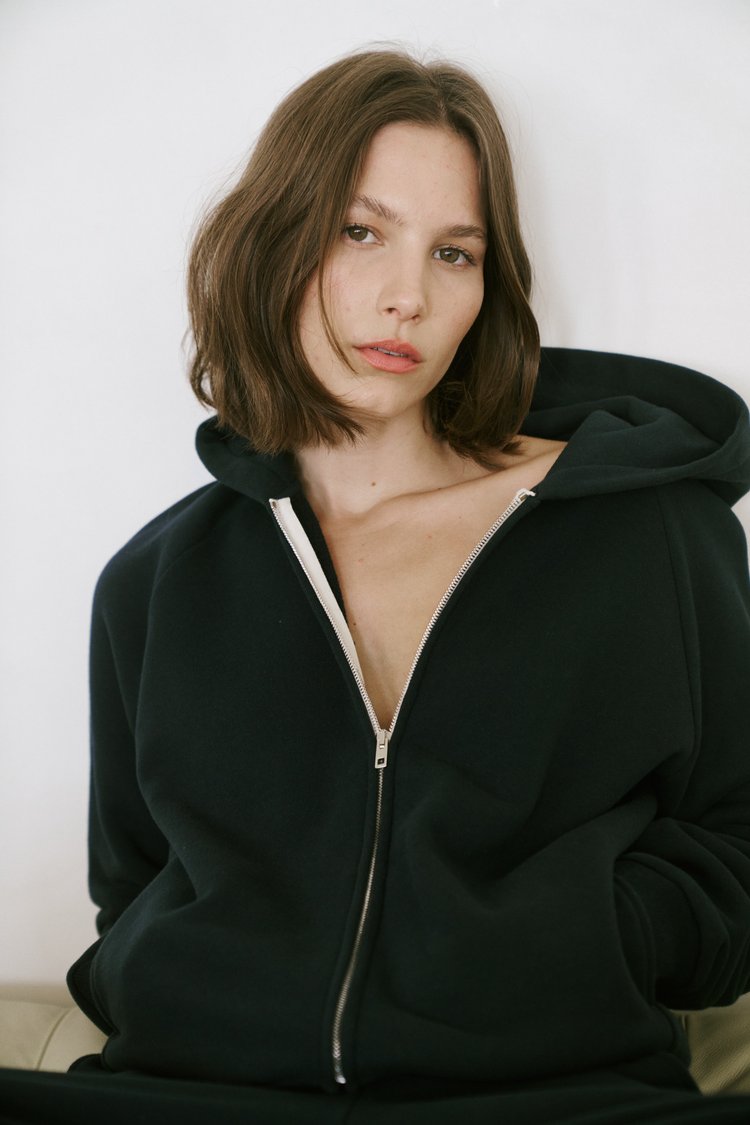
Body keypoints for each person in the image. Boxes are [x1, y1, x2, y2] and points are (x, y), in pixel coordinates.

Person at [2, 46, 750, 1125]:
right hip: (205, 1094)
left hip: (555, 1097)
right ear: (272, 246)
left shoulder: (647, 534)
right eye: (360, 232)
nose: (408, 297)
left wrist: (609, 938)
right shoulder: (155, 582)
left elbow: (735, 843)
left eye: (454, 253)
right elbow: (133, 894)